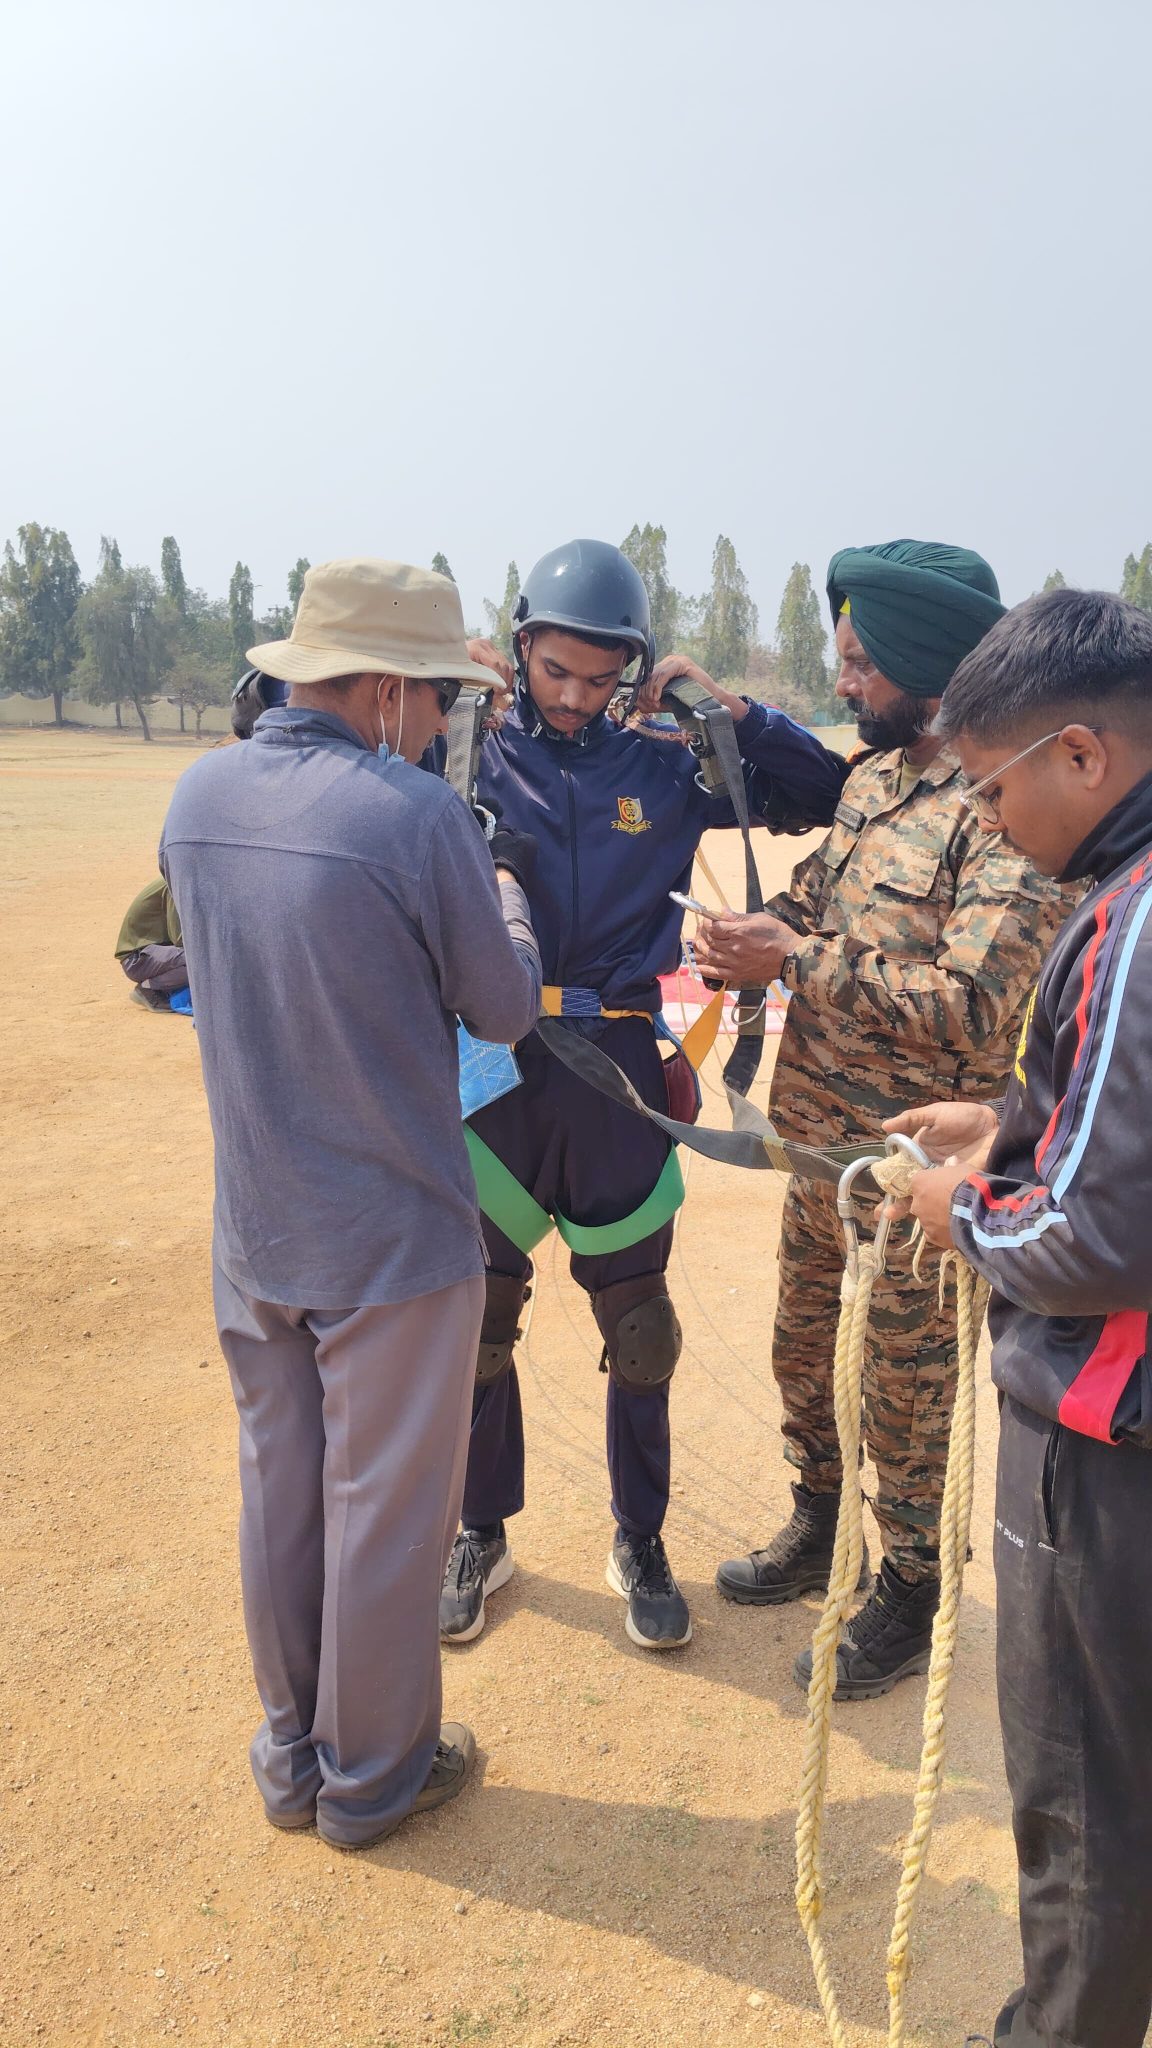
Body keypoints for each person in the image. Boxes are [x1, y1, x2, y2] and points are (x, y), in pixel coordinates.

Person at [160, 558, 542, 1850]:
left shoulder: (199, 796)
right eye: (437, 698)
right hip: (392, 1236)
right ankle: (374, 1780)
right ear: (383, 689)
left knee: (282, 1494)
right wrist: (506, 899)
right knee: (383, 1516)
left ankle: (292, 1761)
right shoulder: (417, 819)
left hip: (257, 1227)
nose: (439, 724)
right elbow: (503, 1008)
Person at [438, 536, 849, 1651]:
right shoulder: (467, 749)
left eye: (598, 676)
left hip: (618, 1073)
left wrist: (732, 712)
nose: (574, 697)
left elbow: (824, 793)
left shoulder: (667, 767)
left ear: (633, 667)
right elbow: (308, 743)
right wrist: (435, 684)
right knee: (479, 1319)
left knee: (642, 1327)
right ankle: (480, 1528)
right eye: (553, 671)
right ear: (520, 648)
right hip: (494, 1071)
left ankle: (642, 1538)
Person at [700, 540, 1072, 1698]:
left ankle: (912, 1584)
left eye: (862, 661)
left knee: (908, 1398)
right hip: (820, 1153)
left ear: (930, 663)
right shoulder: (870, 782)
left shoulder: (1002, 806)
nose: (844, 680)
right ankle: (822, 1525)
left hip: (917, 1178)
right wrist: (752, 934)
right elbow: (820, 897)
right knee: (805, 1352)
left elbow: (971, 997)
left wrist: (794, 959)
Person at [890, 589, 1152, 2048]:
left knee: (1087, 1801)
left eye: (993, 787)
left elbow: (1098, 1234)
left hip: (1108, 1443)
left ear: (1082, 755)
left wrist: (963, 1210)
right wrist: (1011, 1123)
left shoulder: (1133, 917)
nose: (986, 820)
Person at [115, 875, 188, 1010]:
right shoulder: (177, 883)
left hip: (153, 953)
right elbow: (179, 939)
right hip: (137, 960)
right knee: (201, 960)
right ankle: (148, 989)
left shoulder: (181, 877)